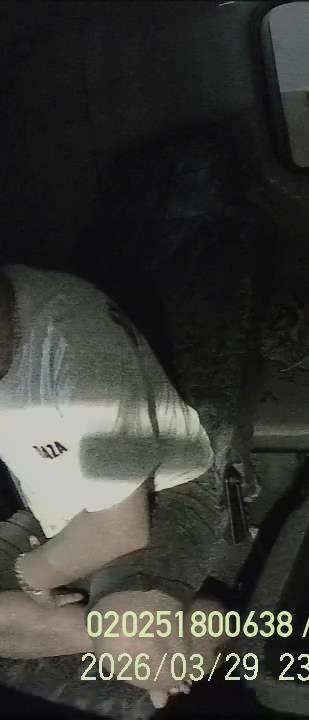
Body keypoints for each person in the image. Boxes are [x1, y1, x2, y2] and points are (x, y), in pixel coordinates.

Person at [0, 263, 227, 718]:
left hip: (163, 496)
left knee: (129, 639)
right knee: (124, 637)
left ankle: (203, 624)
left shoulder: (75, 340)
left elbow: (119, 531)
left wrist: (34, 576)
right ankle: (130, 629)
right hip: (57, 509)